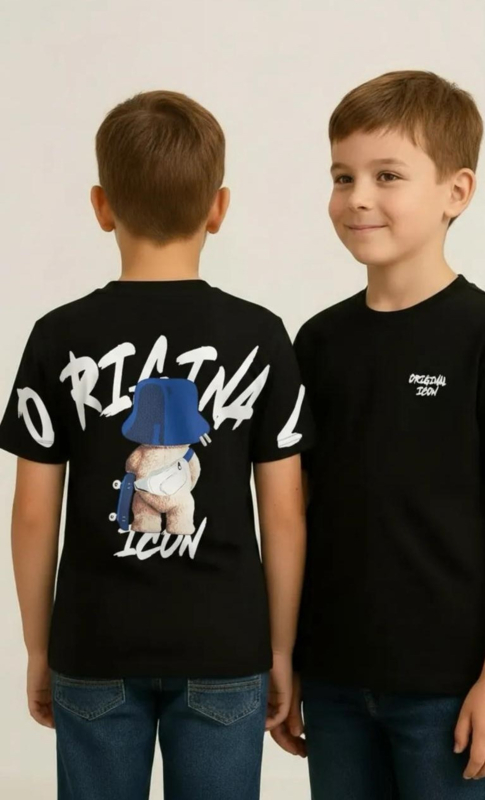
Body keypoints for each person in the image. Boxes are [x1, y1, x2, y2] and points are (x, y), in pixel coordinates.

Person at [0, 89, 313, 800]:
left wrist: (40, 647)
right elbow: (285, 514)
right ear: (218, 208)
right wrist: (281, 649)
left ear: (102, 205)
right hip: (225, 645)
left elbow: (32, 514)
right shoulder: (261, 336)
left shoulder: (58, 336)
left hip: (95, 643)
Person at [271, 70, 485, 799]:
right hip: (334, 681)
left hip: (448, 693)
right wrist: (288, 655)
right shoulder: (317, 343)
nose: (357, 197)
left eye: (387, 175)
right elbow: (297, 511)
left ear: (455, 192)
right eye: (342, 176)